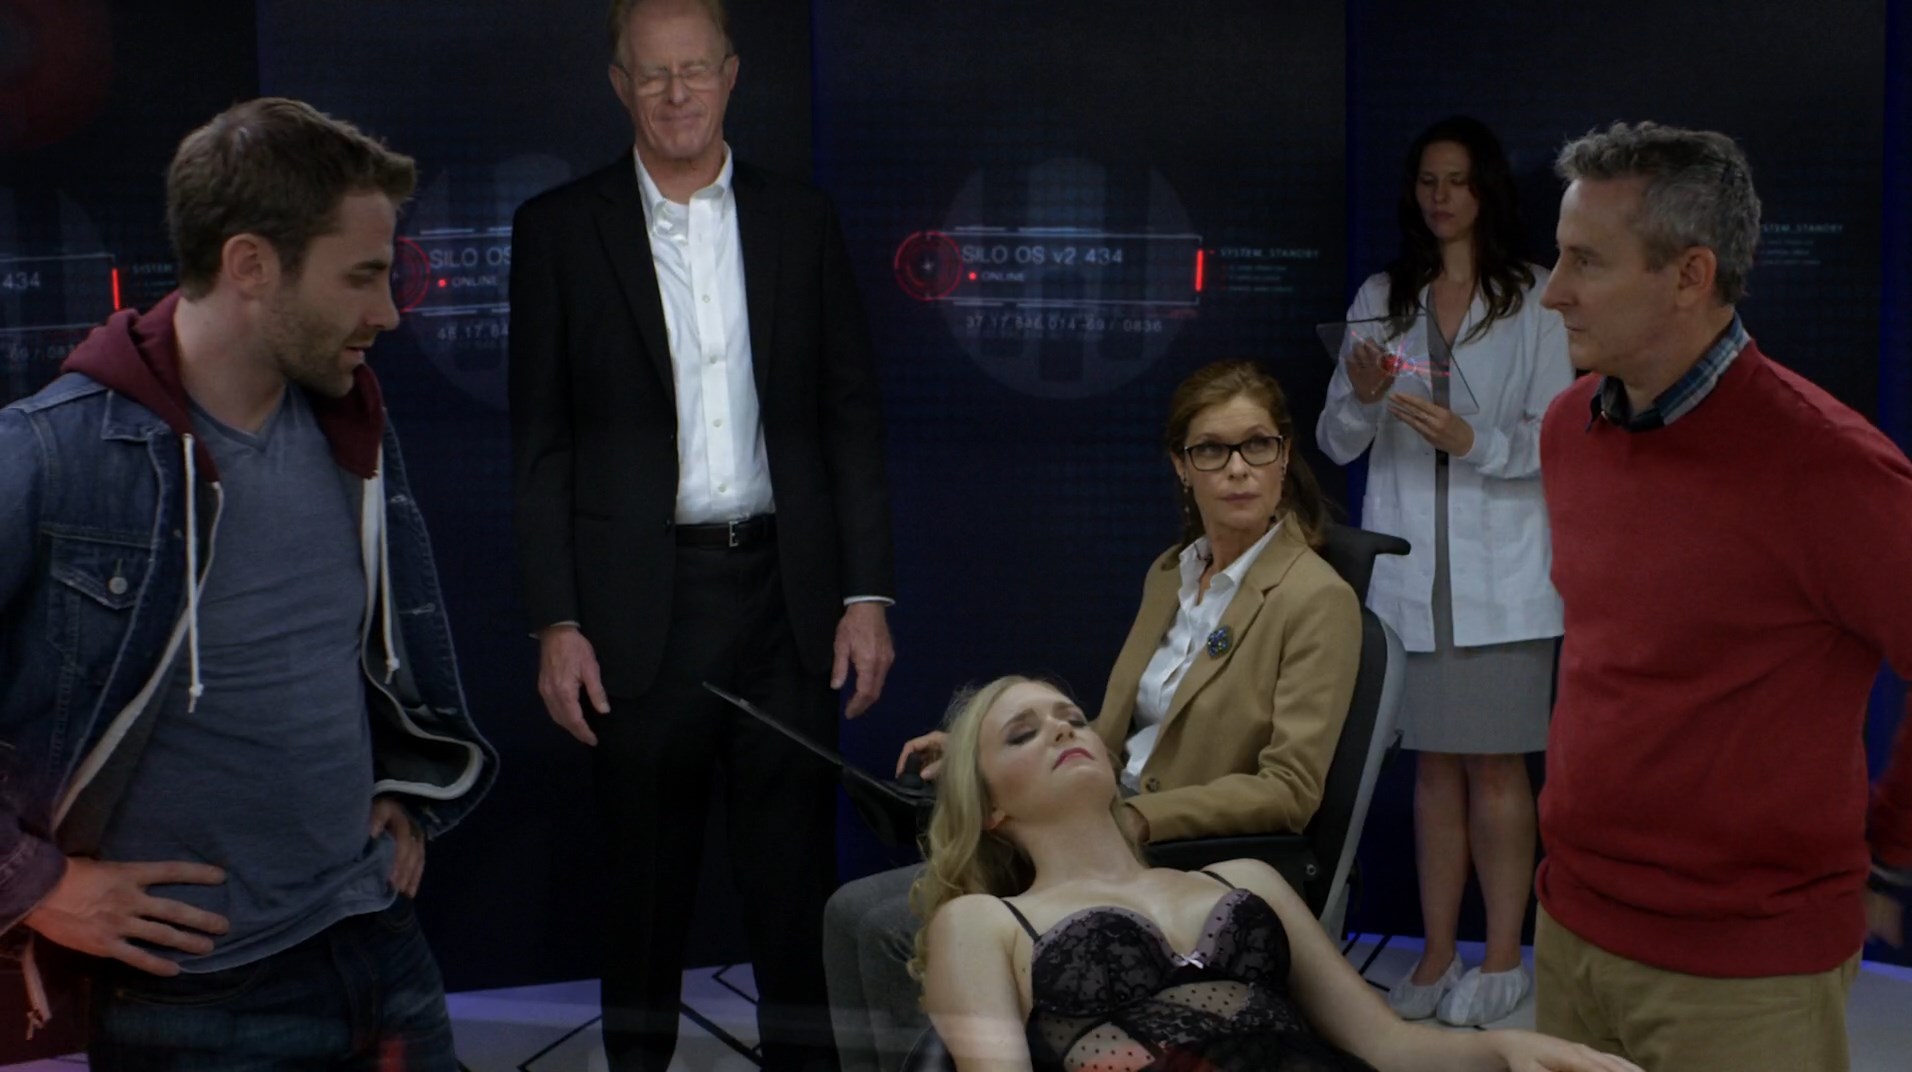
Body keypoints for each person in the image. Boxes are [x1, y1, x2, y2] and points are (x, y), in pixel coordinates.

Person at [0, 97, 498, 1067]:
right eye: (361, 277)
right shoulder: (54, 453)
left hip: (380, 941)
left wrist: (401, 786)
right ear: (250, 265)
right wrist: (38, 885)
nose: (389, 313)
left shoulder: (351, 423)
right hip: (196, 999)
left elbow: (361, 656)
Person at [507, 1, 894, 1068]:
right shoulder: (558, 230)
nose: (676, 94)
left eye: (694, 70)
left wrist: (867, 593)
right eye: (652, 74)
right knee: (642, 897)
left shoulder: (801, 220)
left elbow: (850, 417)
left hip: (785, 599)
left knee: (793, 892)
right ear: (619, 85)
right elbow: (539, 447)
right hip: (637, 606)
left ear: (729, 75)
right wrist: (556, 619)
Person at [827, 360, 1362, 1071]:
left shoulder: (1315, 599)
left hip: (1169, 848)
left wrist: (1136, 818)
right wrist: (983, 746)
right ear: (1182, 466)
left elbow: (1289, 790)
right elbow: (1108, 730)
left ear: (1285, 455)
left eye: (1257, 446)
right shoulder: (1171, 572)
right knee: (847, 912)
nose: (1238, 469)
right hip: (1091, 819)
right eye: (1212, 449)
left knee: (888, 927)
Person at [1534, 120, 1912, 1071]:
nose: (1552, 291)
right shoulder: (1570, 427)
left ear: (1690, 276)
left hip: (1745, 976)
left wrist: (1895, 853)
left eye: (1586, 261)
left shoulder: (1829, 468)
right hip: (1571, 932)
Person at [912, 675, 1644, 1072]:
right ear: (990, 809)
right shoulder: (981, 923)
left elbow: (1392, 1046)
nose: (1062, 728)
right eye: (1023, 733)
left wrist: (1507, 1047)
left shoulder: (1245, 880)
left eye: (1071, 716)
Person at [1316, 116, 1572, 1026]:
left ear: (1485, 189)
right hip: (1413, 572)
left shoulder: (1537, 298)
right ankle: (1434, 954)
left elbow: (1559, 435)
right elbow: (1335, 439)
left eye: (1456, 180)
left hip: (1502, 575)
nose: (1440, 196)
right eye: (1428, 180)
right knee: (1432, 773)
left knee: (1497, 770)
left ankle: (1501, 956)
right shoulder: (1383, 296)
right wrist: (1363, 397)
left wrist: (1475, 440)